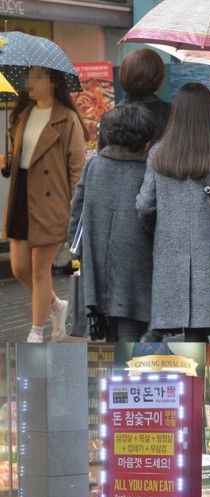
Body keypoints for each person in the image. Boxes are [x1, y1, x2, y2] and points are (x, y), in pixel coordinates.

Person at [136, 82, 210, 345]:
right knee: (200, 333)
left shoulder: (158, 153)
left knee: (184, 329)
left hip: (169, 250)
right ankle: (197, 381)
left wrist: (159, 228)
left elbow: (145, 205)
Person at [1, 67, 87, 344]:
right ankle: (57, 306)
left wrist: (75, 210)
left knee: (40, 269)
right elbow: (20, 159)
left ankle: (36, 332)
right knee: (19, 268)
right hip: (21, 197)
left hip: (52, 204)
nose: (30, 83)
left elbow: (77, 169)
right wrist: (8, 161)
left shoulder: (68, 119)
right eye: (30, 77)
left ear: (52, 83)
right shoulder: (23, 115)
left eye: (37, 77)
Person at [69, 104, 155, 347]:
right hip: (138, 264)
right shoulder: (147, 171)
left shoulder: (94, 166)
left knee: (113, 332)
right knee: (131, 326)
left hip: (97, 260)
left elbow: (77, 213)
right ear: (146, 140)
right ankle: (130, 379)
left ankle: (121, 378)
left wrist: (75, 256)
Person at [99, 48, 171, 147]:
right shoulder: (171, 113)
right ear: (158, 77)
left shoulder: (109, 118)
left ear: (123, 75)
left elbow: (103, 158)